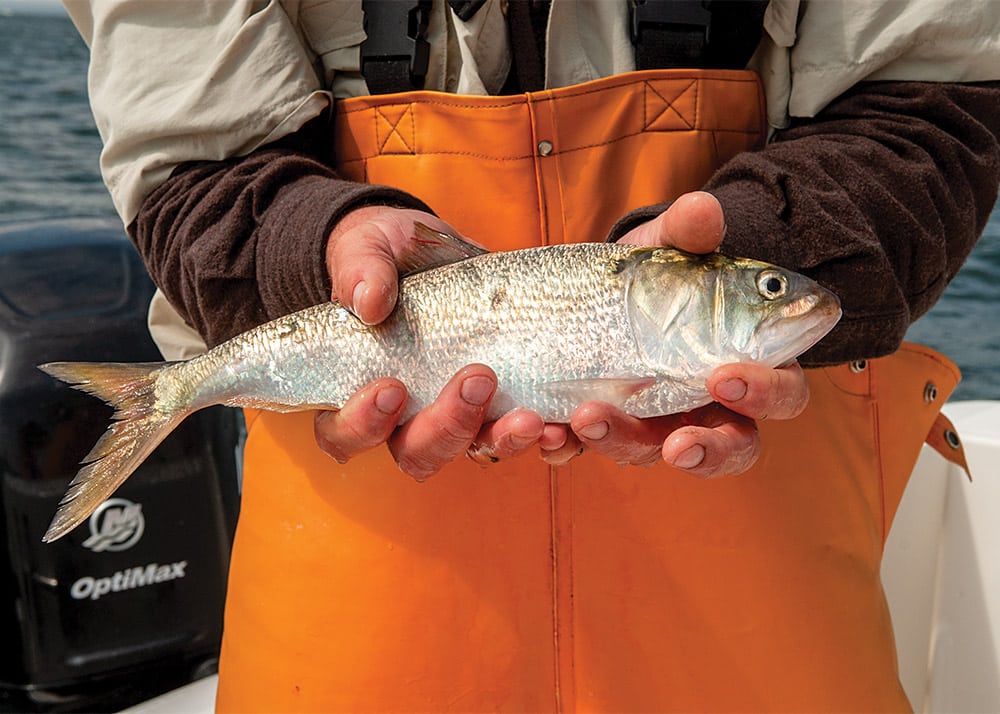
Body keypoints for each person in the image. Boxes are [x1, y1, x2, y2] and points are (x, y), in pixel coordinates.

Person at [65, 0, 1000, 710]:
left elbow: (934, 107)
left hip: (768, 547)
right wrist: (304, 240)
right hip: (358, 556)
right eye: (764, 289)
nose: (789, 299)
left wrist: (772, 237)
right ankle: (170, 396)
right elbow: (189, 152)